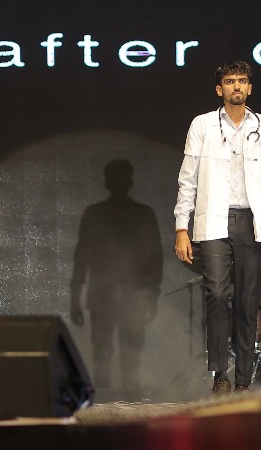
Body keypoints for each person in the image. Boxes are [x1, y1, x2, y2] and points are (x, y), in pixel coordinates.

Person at [174, 60, 261, 395]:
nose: (236, 86)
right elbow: (188, 177)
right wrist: (182, 226)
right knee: (216, 294)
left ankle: (243, 380)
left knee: (247, 301)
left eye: (241, 81)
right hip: (214, 220)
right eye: (229, 81)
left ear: (249, 88)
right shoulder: (203, 124)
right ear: (219, 89)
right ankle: (219, 374)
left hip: (253, 221)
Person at [70, 159, 162, 398]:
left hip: (114, 293)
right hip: (121, 293)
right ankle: (118, 397)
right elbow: (155, 259)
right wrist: (152, 295)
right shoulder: (141, 214)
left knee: (109, 351)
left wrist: (75, 299)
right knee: (123, 351)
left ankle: (107, 399)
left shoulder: (96, 213)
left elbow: (81, 258)